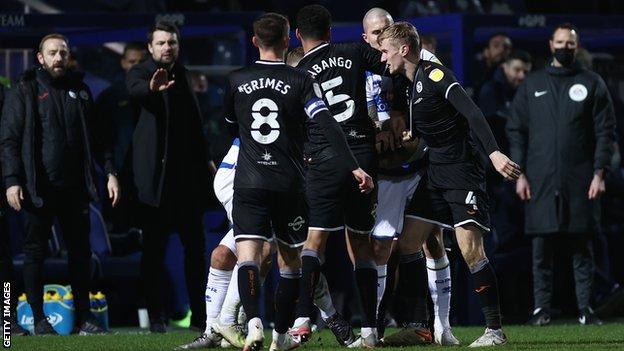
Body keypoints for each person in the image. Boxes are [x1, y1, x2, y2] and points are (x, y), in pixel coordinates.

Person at [222, 12, 372, 351]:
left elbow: (230, 125)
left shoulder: (235, 79)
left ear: (255, 41)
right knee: (291, 263)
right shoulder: (300, 80)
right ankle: (280, 338)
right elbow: (328, 124)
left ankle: (255, 323)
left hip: (248, 180)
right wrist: (354, 166)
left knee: (249, 255)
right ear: (289, 40)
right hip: (288, 182)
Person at [378, 22, 521, 347]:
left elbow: (471, 113)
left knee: (471, 250)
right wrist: (414, 136)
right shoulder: (411, 84)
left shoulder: (436, 74)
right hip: (436, 173)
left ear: (404, 49)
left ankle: (494, 331)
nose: (383, 57)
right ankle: (420, 326)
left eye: (386, 50)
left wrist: (495, 153)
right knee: (407, 243)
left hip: (462, 172)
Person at [1, 33, 120, 335]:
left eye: (62, 53)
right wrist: (13, 181)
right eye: (52, 53)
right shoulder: (24, 90)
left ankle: (84, 318)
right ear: (40, 57)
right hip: (38, 188)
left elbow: (98, 139)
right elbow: (10, 140)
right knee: (35, 253)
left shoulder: (80, 91)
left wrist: (109, 171)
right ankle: (38, 318)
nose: (58, 58)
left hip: (75, 188)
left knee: (80, 252)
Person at [289, 5, 386, 348]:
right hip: (363, 153)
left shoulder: (298, 71)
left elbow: (295, 126)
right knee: (362, 244)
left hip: (323, 159)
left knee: (314, 242)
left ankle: (301, 320)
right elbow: (390, 65)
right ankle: (370, 332)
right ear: (331, 31)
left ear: (298, 35)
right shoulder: (355, 50)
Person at [507, 23, 616, 326]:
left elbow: (605, 132)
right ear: (550, 43)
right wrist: (520, 174)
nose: (565, 47)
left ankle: (585, 309)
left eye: (570, 44)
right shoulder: (533, 83)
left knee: (582, 248)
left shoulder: (591, 82)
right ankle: (541, 309)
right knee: (541, 250)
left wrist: (600, 172)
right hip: (539, 180)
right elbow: (515, 129)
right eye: (560, 42)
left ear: (576, 46)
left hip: (581, 179)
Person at [360, 7, 458, 346]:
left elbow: (445, 106)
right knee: (380, 247)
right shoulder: (361, 65)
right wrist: (378, 128)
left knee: (431, 242)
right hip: (386, 172)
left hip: (424, 166)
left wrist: (416, 130)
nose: (384, 36)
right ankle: (373, 328)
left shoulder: (426, 62)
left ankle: (441, 326)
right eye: (377, 33)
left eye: (389, 29)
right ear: (365, 38)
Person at [126, 21, 213, 333]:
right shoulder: (140, 72)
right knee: (153, 252)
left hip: (186, 182)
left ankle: (201, 318)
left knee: (195, 252)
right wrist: (152, 88)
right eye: (161, 43)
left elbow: (195, 123)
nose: (167, 48)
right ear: (150, 47)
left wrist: (207, 160)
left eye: (171, 43)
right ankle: (157, 317)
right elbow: (135, 91)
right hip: (154, 184)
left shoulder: (184, 73)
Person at [93, 43, 145, 232]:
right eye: (132, 61)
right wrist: (110, 171)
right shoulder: (110, 97)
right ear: (123, 63)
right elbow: (100, 138)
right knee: (120, 231)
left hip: (149, 178)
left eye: (141, 61)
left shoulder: (159, 94)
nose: (136, 65)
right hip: (119, 177)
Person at [0, 80, 30, 337]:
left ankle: (7, 319)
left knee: (3, 260)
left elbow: (8, 140)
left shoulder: (3, 94)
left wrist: (11, 180)